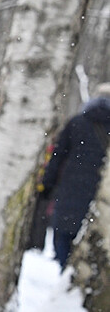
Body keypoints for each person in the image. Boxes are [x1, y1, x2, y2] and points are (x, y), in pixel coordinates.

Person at [42, 83, 110, 270]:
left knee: (63, 234)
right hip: (101, 195)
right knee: (91, 240)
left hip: (71, 189)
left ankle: (64, 270)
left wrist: (47, 184)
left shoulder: (78, 122)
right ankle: (74, 278)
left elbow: (57, 156)